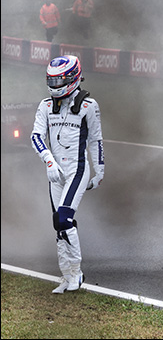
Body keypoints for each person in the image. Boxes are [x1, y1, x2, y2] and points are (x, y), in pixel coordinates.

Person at [31, 55, 105, 294]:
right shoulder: (45, 105)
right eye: (51, 81)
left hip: (77, 170)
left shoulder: (88, 106)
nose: (54, 86)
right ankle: (67, 276)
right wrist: (49, 161)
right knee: (59, 224)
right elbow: (35, 136)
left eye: (59, 80)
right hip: (55, 173)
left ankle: (77, 274)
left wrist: (99, 170)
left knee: (64, 219)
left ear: (73, 78)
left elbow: (96, 140)